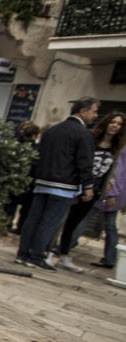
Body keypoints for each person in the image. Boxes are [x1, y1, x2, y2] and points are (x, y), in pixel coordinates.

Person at [15, 97, 99, 270]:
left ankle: (23, 254)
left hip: (42, 181)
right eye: (94, 111)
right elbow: (84, 162)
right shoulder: (84, 134)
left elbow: (38, 156)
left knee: (34, 218)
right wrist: (88, 186)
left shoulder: (52, 130)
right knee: (49, 221)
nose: (95, 116)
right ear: (83, 111)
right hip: (63, 185)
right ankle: (37, 256)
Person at [54, 112, 125, 271]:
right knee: (60, 219)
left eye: (119, 124)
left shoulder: (118, 147)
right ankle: (49, 249)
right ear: (106, 123)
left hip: (98, 191)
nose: (115, 126)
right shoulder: (90, 139)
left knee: (77, 223)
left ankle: (64, 254)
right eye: (112, 122)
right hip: (77, 185)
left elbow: (115, 171)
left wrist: (111, 189)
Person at [92, 131, 126, 269]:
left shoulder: (120, 147)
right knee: (110, 225)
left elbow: (118, 170)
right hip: (117, 190)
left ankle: (64, 247)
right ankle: (110, 258)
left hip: (112, 189)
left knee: (88, 217)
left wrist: (111, 192)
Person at [5, 121, 41, 234]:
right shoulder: (36, 149)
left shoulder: (15, 144)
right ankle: (20, 227)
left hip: (12, 178)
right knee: (25, 208)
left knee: (9, 204)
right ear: (35, 135)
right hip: (27, 182)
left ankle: (5, 224)